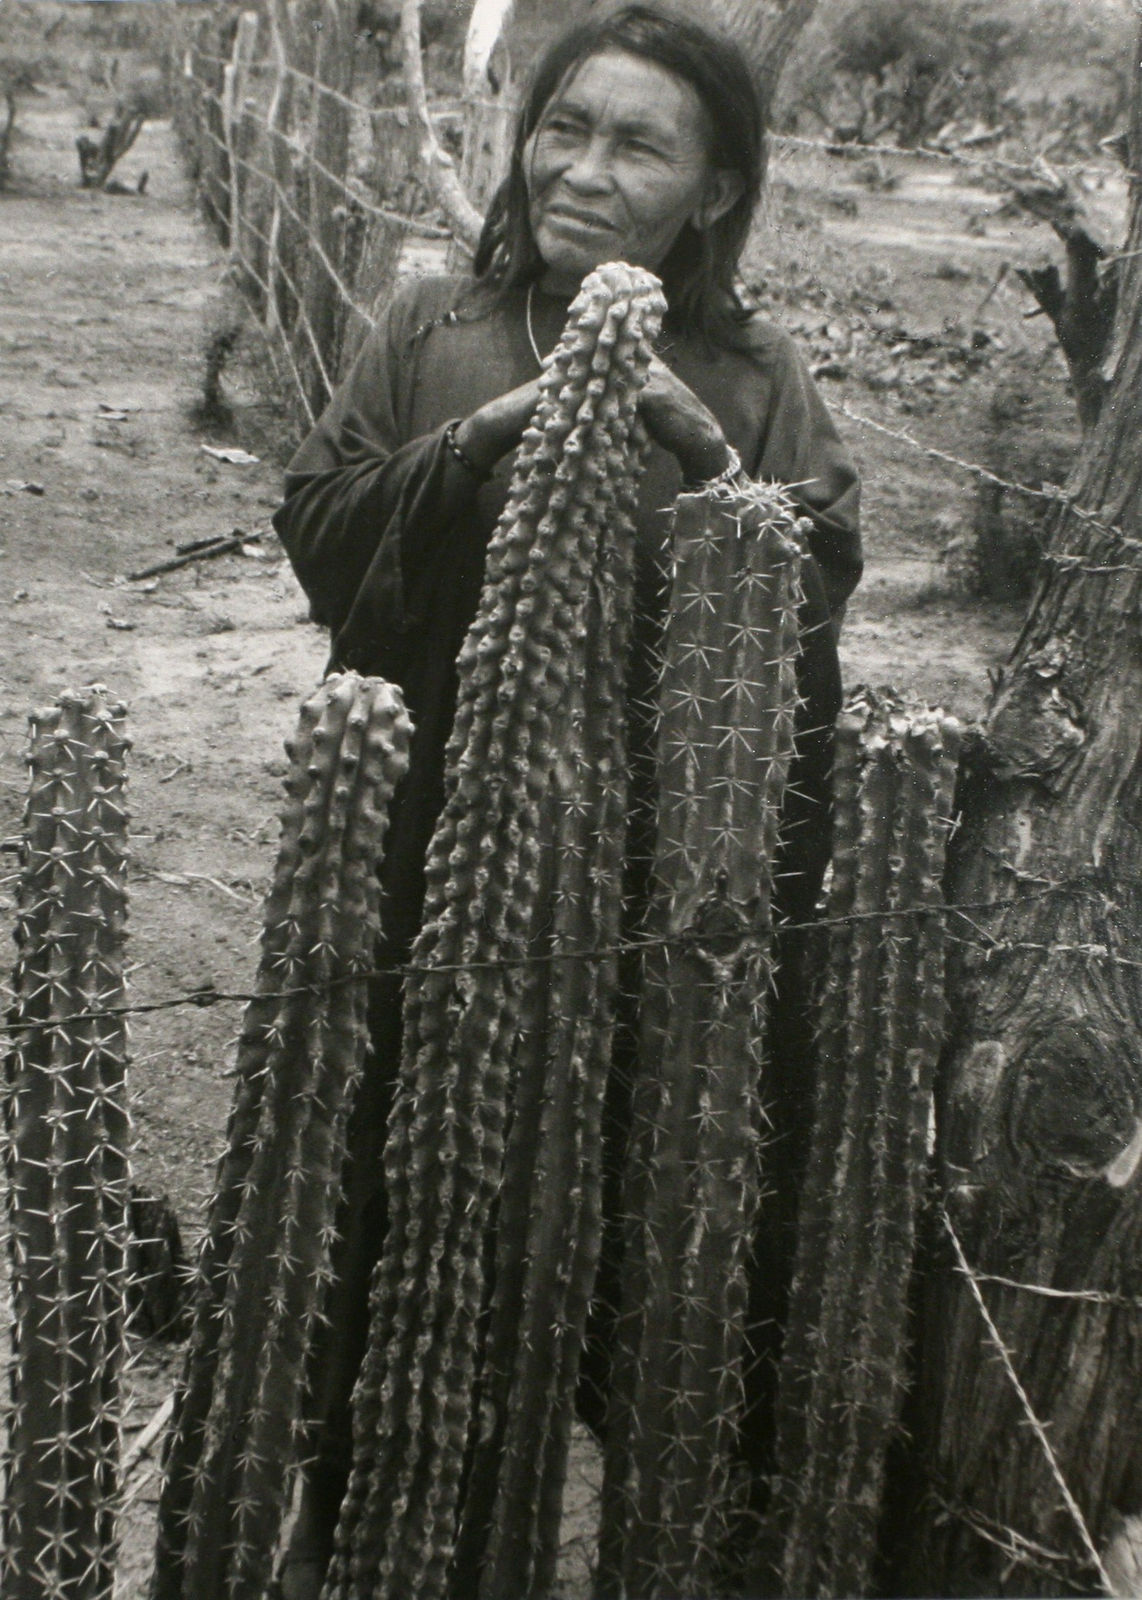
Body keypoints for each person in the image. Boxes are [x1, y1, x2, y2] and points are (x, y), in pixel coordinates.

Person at [272, 4, 861, 1592]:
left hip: (646, 877)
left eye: (636, 145)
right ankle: (347, 1523)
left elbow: (810, 602)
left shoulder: (747, 373)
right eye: (561, 128)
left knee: (609, 1203)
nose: (580, 172)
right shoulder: (431, 325)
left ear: (716, 191)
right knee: (378, 1177)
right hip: (408, 841)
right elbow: (321, 526)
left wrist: (690, 453)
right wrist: (488, 434)